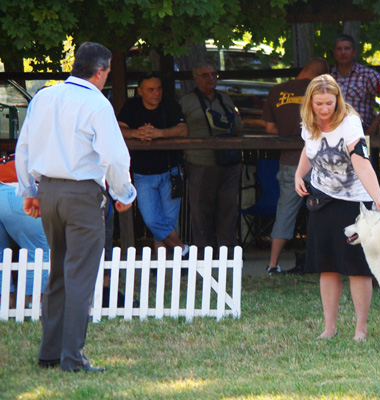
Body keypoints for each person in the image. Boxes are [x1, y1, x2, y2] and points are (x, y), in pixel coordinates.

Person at [15, 42, 136, 372]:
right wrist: (124, 193)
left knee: (58, 274)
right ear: (100, 72)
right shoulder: (97, 103)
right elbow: (113, 156)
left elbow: (23, 146)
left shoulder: (44, 97)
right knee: (80, 276)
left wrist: (30, 189)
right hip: (82, 194)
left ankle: (50, 352)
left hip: (49, 190)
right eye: (108, 72)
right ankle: (72, 358)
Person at [294, 74, 380, 341]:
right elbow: (308, 148)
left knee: (357, 267)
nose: (324, 110)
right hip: (322, 201)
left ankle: (361, 328)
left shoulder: (350, 122)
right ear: (310, 103)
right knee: (327, 266)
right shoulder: (309, 122)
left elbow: (361, 161)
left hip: (354, 203)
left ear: (338, 100)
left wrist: (378, 198)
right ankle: (330, 328)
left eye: (329, 104)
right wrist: (299, 175)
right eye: (318, 104)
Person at [262, 57, 328, 275]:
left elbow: (270, 128)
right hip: (321, 163)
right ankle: (330, 263)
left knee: (285, 213)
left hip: (290, 162)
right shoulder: (322, 93)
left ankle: (272, 265)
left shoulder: (277, 91)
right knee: (327, 212)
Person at [118, 73, 188, 254]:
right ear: (140, 91)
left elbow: (183, 130)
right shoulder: (131, 106)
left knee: (168, 220)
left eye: (159, 89)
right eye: (151, 90)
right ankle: (182, 250)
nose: (156, 93)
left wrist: (159, 134)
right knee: (151, 219)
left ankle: (161, 264)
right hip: (143, 174)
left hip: (170, 171)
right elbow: (117, 128)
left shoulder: (170, 104)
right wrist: (136, 134)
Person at [180, 62, 243, 252]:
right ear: (196, 78)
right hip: (200, 162)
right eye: (205, 75)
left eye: (214, 74)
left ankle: (227, 251)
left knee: (228, 207)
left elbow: (238, 128)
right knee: (201, 210)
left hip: (229, 162)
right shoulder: (187, 101)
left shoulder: (224, 99)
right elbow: (179, 131)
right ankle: (204, 252)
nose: (211, 78)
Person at [0, 158, 49, 306]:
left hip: (3, 184)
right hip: (19, 193)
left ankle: (5, 304)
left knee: (1, 256)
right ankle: (33, 306)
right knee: (38, 252)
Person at [330, 34, 380, 136]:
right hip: (332, 135)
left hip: (359, 134)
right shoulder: (327, 77)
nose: (343, 53)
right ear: (334, 53)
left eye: (347, 49)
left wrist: (374, 125)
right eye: (339, 49)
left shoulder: (368, 75)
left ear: (354, 52)